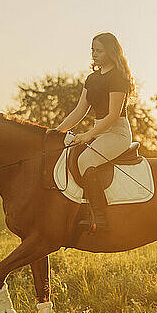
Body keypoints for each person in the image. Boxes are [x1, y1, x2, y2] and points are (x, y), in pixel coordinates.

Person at [54, 32, 134, 233]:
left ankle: (100, 217)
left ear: (110, 52)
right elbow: (79, 110)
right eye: (92, 50)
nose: (94, 54)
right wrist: (57, 131)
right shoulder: (91, 79)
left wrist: (88, 135)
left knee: (85, 161)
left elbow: (114, 115)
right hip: (100, 132)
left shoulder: (118, 78)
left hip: (117, 133)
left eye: (99, 50)